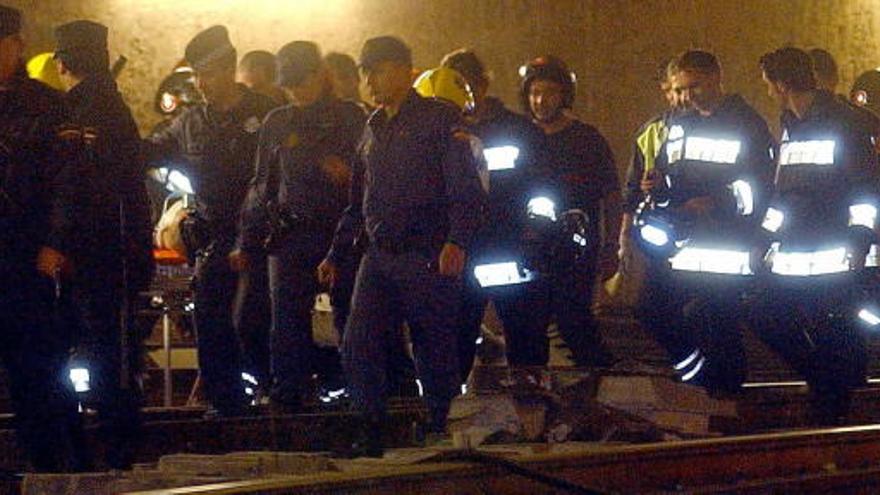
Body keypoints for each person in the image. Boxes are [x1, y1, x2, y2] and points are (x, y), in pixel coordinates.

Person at [317, 36, 485, 456]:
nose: (370, 80)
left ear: (404, 70)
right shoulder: (372, 129)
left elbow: (464, 189)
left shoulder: (438, 120)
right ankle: (370, 426)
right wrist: (337, 253)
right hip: (380, 254)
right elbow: (359, 202)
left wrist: (456, 241)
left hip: (426, 252)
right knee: (360, 339)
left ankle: (442, 424)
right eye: (364, 72)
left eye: (378, 69)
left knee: (434, 344)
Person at [145, 25, 277, 417]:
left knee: (251, 324)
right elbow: (152, 152)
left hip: (260, 239)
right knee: (212, 322)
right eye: (198, 75)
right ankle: (225, 408)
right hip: (215, 237)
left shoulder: (266, 113)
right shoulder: (189, 123)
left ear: (230, 69)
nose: (202, 84)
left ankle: (275, 395)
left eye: (210, 74)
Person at [232, 40, 365, 412]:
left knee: (351, 316)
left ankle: (358, 389)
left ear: (320, 75)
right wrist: (247, 239)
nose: (296, 92)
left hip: (340, 234)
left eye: (301, 82)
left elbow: (372, 175)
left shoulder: (351, 118)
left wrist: (345, 173)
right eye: (289, 86)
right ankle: (290, 395)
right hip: (290, 236)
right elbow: (262, 184)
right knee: (286, 322)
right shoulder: (278, 122)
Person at [636, 50, 774, 394]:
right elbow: (671, 174)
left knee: (719, 325)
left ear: (716, 78)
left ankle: (726, 401)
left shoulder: (747, 123)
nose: (686, 96)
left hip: (724, 246)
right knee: (650, 308)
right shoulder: (679, 125)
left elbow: (758, 187)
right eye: (680, 88)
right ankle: (696, 376)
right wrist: (657, 187)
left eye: (694, 86)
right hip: (682, 244)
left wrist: (715, 203)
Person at [753, 47, 877, 423]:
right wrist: (763, 237)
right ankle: (828, 389)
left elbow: (865, 188)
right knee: (766, 313)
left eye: (769, 86)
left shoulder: (845, 122)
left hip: (835, 252)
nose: (770, 93)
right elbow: (784, 194)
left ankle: (833, 419)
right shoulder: (791, 124)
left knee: (834, 336)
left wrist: (859, 239)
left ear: (781, 83)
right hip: (796, 251)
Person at [53, 19, 154, 469]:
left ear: (62, 62)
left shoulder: (77, 110)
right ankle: (116, 438)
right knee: (110, 348)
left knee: (101, 349)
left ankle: (115, 443)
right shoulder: (111, 106)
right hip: (114, 251)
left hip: (93, 255)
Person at [0, 4, 90, 471]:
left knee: (36, 366)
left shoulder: (46, 106)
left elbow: (67, 180)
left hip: (27, 253)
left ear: (15, 47)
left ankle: (55, 464)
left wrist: (55, 241)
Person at [507, 54, 620, 367]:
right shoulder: (518, 139)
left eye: (549, 93)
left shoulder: (587, 140)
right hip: (529, 251)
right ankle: (533, 397)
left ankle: (601, 387)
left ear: (565, 95)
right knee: (527, 330)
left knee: (574, 323)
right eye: (534, 93)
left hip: (576, 254)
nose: (540, 101)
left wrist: (612, 246)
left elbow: (611, 196)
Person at [439, 48, 544, 380]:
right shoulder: (438, 133)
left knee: (523, 336)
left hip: (506, 247)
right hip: (460, 250)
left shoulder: (519, 131)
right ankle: (449, 416)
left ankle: (533, 408)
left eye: (468, 84)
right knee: (454, 341)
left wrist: (533, 232)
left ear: (483, 85)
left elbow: (541, 186)